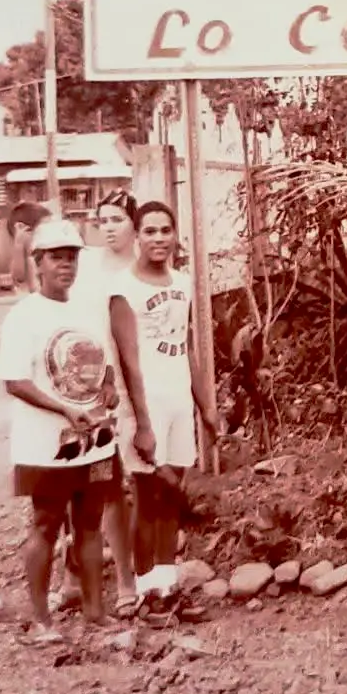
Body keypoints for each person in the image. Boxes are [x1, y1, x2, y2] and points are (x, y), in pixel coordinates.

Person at [0, 218, 120, 643]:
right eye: (56, 257)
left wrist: (109, 387)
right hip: (46, 443)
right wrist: (63, 408)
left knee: (90, 524)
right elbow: (14, 380)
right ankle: (40, 619)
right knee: (46, 523)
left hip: (95, 439)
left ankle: (95, 612)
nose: (65, 265)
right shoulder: (23, 315)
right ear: (38, 263)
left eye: (71, 257)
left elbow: (101, 362)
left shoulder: (85, 310)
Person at [110, 201, 220, 623]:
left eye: (165, 230)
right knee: (146, 498)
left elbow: (185, 346)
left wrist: (205, 406)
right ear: (137, 236)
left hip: (177, 401)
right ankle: (144, 594)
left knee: (172, 496)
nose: (158, 238)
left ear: (176, 236)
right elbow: (128, 359)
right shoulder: (124, 288)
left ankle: (168, 587)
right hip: (145, 404)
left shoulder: (183, 282)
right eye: (150, 231)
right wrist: (141, 422)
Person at [49, 190, 142, 620]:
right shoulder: (86, 273)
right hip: (86, 396)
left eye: (117, 218)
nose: (108, 226)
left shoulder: (144, 269)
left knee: (118, 489)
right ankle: (72, 578)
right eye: (102, 219)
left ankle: (129, 578)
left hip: (128, 392)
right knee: (77, 485)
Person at [7, 201, 52, 293]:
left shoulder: (46, 252)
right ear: (23, 230)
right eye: (44, 229)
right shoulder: (23, 254)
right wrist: (19, 244)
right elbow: (19, 277)